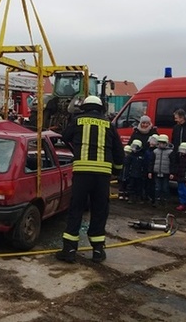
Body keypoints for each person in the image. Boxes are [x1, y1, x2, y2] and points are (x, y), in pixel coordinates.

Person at [56, 95, 125, 264]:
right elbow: (119, 152)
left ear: (84, 108)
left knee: (76, 209)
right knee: (100, 211)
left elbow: (64, 136)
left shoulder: (78, 121)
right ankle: (98, 251)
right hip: (102, 176)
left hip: (82, 174)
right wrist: (117, 171)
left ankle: (70, 250)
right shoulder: (109, 124)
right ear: (101, 108)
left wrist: (77, 147)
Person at [148, 134, 176, 206]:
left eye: (163, 143)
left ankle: (165, 200)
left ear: (166, 143)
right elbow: (151, 162)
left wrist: (172, 173)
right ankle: (157, 200)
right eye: (160, 143)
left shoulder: (170, 152)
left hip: (166, 173)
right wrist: (150, 171)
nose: (161, 144)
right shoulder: (155, 151)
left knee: (165, 187)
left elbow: (173, 163)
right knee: (157, 187)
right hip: (156, 172)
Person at [124, 140, 149, 204]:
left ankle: (139, 198)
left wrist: (144, 174)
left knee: (139, 187)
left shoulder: (142, 156)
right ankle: (131, 197)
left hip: (139, 174)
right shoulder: (130, 156)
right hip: (131, 174)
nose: (134, 149)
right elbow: (127, 165)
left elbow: (145, 165)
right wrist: (126, 174)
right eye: (133, 147)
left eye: (136, 147)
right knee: (131, 186)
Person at [175, 142, 186, 211]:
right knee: (181, 191)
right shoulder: (180, 157)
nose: (182, 152)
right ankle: (182, 204)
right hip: (180, 176)